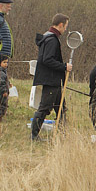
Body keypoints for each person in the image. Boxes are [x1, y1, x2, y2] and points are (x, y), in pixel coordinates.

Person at [30, 13, 72, 141]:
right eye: (65, 26)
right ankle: (34, 136)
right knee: (44, 108)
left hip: (55, 81)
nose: (65, 29)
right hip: (51, 80)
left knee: (61, 109)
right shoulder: (52, 39)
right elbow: (47, 60)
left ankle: (62, 134)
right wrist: (64, 66)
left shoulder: (50, 37)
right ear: (60, 25)